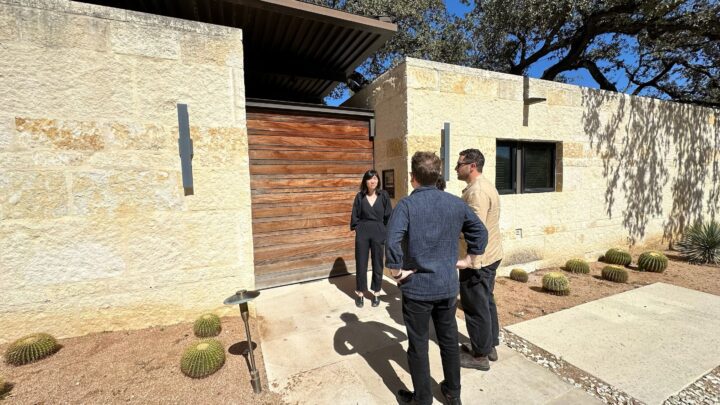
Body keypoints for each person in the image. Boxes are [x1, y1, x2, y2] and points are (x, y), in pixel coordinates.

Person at [385, 152, 488, 405]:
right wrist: (468, 260)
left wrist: (397, 273)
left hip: (417, 289)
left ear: (413, 178)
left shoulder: (407, 206)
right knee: (449, 340)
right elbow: (480, 233)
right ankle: (453, 394)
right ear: (437, 176)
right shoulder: (455, 203)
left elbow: (391, 242)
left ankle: (422, 399)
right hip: (446, 287)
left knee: (418, 344)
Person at [455, 148, 504, 371]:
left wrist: (469, 260)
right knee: (486, 301)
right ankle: (489, 345)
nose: (457, 168)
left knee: (475, 306)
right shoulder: (483, 185)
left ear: (472, 165)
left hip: (479, 260)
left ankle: (479, 356)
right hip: (491, 255)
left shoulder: (476, 192)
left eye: (459, 164)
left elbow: (477, 231)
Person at [350, 169, 393, 308]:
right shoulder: (359, 197)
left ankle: (376, 292)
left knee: (378, 263)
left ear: (378, 180)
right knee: (361, 263)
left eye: (375, 178)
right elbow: (354, 216)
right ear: (365, 181)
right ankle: (360, 293)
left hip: (379, 232)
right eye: (370, 179)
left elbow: (389, 216)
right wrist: (358, 228)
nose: (373, 181)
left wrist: (385, 230)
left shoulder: (384, 195)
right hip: (363, 232)